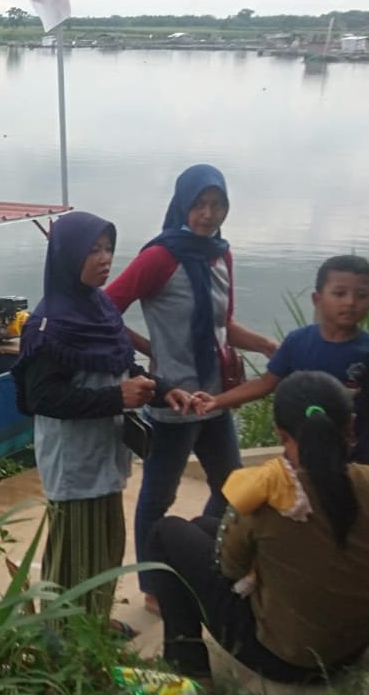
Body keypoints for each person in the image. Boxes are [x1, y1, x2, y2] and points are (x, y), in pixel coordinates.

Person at [144, 371, 369, 685]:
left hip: (281, 660)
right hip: (352, 650)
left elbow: (231, 568)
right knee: (201, 526)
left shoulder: (268, 494)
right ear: (350, 427)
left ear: (281, 435)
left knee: (166, 532)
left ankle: (189, 673)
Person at [105, 163, 279, 598]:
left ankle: (208, 558)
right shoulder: (160, 257)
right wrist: (148, 351)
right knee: (157, 500)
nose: (207, 214)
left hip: (214, 397)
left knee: (234, 488)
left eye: (216, 204)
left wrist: (267, 346)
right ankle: (155, 587)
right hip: (172, 400)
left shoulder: (221, 255)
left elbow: (222, 326)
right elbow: (104, 310)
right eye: (199, 204)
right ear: (182, 205)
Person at [13, 211, 192, 625]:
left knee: (108, 545)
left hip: (106, 452)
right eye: (92, 250)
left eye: (108, 248)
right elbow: (42, 397)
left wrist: (166, 391)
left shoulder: (101, 310)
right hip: (74, 460)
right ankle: (63, 639)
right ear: (67, 255)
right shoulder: (49, 324)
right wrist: (117, 397)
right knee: (75, 553)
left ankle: (93, 624)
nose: (104, 257)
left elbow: (123, 366)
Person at [195, 254, 369, 467]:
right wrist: (217, 401)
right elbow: (265, 383)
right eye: (339, 293)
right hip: (300, 460)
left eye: (361, 295)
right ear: (317, 299)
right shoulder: (298, 341)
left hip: (354, 459)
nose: (350, 302)